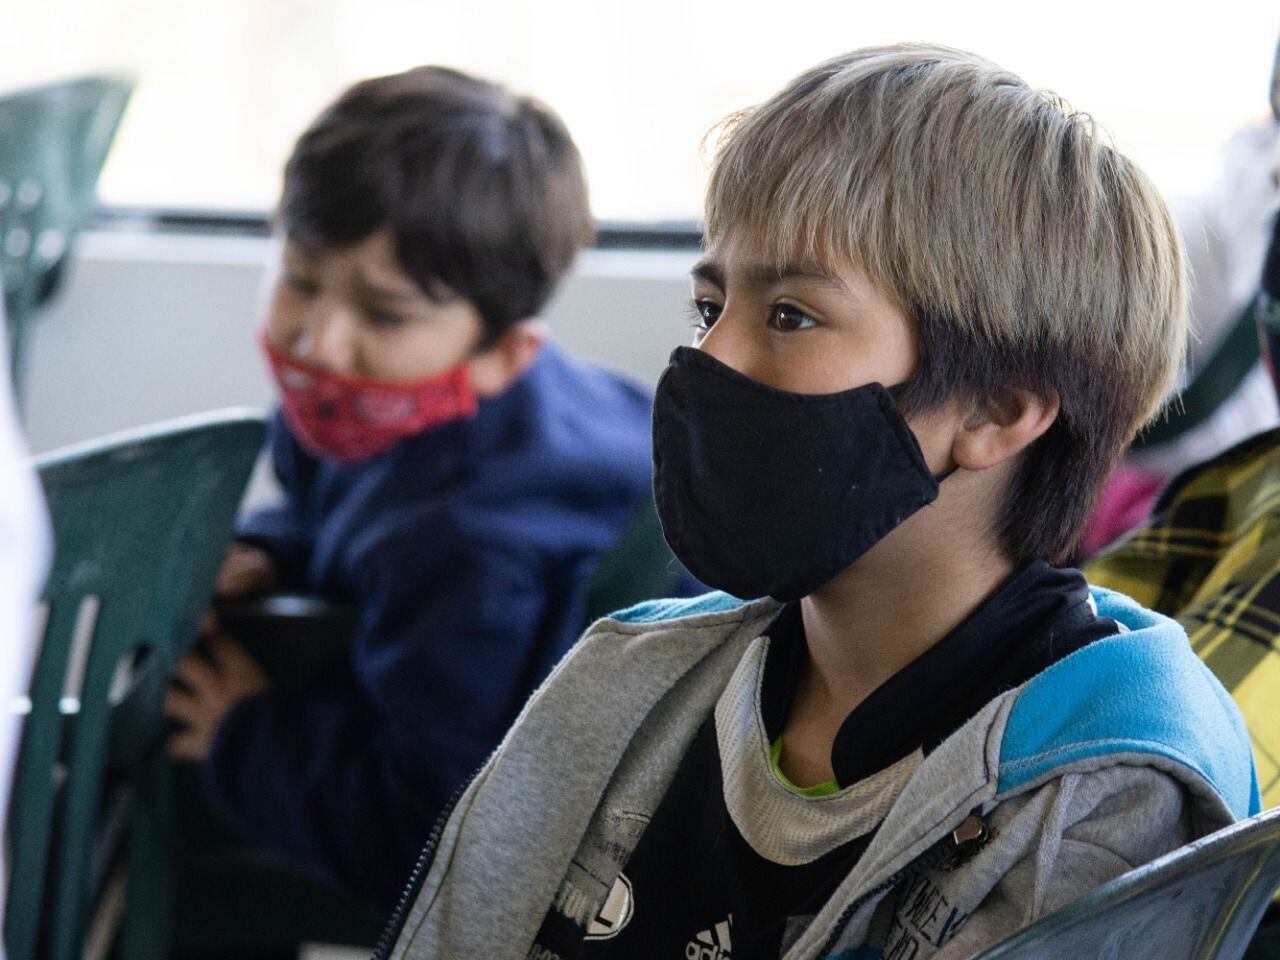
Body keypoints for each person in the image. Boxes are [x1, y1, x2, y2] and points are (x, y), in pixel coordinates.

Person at [382, 45, 1259, 960]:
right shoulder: (630, 682)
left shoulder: (1098, 797)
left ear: (999, 409)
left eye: (791, 315)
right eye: (708, 306)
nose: (708, 360)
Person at [162, 66, 660, 909]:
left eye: (385, 315)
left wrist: (245, 738)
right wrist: (279, 551)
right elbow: (341, 502)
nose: (322, 342)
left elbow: (438, 839)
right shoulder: (366, 409)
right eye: (299, 277)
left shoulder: (467, 543)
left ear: (504, 354)